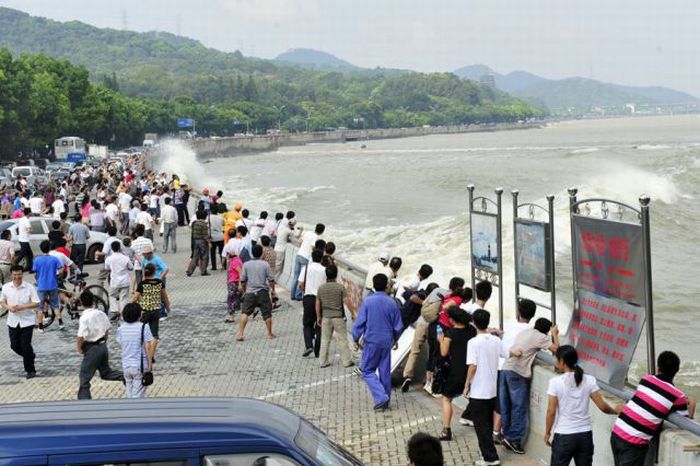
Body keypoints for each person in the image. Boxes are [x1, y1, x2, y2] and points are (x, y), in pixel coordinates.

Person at [611, 351, 696, 466]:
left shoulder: (646, 379)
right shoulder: (678, 396)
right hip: (633, 443)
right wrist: (692, 403)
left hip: (617, 432)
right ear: (676, 371)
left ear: (658, 367)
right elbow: (684, 422)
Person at [545, 345, 617, 466]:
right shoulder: (589, 380)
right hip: (585, 435)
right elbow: (603, 407)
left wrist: (547, 432)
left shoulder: (555, 382)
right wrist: (616, 411)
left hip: (564, 435)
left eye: (557, 359)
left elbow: (551, 412)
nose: (556, 361)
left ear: (562, 361)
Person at [500, 317, 559, 454]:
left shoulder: (526, 332)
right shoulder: (540, 337)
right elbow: (558, 351)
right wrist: (554, 334)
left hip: (506, 368)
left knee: (506, 406)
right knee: (519, 408)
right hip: (518, 373)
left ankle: (508, 436)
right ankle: (514, 440)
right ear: (546, 332)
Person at [351, 273, 403, 411]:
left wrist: (355, 338)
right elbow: (398, 325)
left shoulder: (368, 302)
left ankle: (381, 397)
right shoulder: (392, 302)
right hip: (386, 341)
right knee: (384, 371)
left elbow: (360, 322)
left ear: (373, 286)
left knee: (367, 370)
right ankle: (385, 401)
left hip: (372, 340)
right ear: (386, 286)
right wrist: (395, 338)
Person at [465, 309, 501, 466]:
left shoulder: (473, 342)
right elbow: (509, 353)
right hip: (492, 390)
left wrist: (467, 384)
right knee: (486, 424)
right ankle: (490, 455)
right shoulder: (495, 340)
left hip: (479, 391)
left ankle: (490, 458)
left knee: (481, 427)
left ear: (473, 323)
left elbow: (473, 365)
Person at [435, 307, 476, 441]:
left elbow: (443, 353)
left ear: (452, 319)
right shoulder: (471, 330)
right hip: (471, 369)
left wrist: (441, 340)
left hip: (456, 371)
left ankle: (446, 430)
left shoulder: (450, 333)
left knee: (447, 398)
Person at [76, 290, 124, 399]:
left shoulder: (84, 317)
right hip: (102, 346)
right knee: (106, 372)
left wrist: (79, 349)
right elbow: (107, 329)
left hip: (91, 348)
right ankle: (126, 377)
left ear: (81, 303)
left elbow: (80, 336)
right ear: (93, 301)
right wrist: (104, 342)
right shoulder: (101, 313)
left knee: (84, 377)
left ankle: (84, 402)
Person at [1, 265, 40, 379]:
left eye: (19, 274)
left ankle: (30, 370)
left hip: (27, 321)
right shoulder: (6, 287)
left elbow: (36, 302)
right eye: (15, 275)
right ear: (11, 275)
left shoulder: (29, 287)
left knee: (25, 345)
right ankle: (30, 356)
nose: (17, 277)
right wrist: (9, 307)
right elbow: (2, 301)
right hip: (13, 321)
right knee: (14, 345)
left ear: (22, 274)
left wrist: (22, 307)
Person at [235, 244, 277, 341]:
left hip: (250, 292)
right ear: (261, 253)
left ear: (252, 253)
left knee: (245, 312)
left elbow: (243, 280)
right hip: (263, 292)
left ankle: (240, 333)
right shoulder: (265, 264)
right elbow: (271, 280)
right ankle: (270, 333)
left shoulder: (246, 264)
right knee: (267, 314)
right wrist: (273, 291)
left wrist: (245, 290)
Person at [316, 265, 353, 368]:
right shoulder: (340, 287)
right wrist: (353, 313)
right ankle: (346, 361)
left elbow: (318, 303)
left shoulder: (321, 288)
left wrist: (318, 317)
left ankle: (323, 361)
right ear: (336, 274)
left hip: (326, 317)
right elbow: (346, 301)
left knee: (325, 340)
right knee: (342, 339)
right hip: (338, 317)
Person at [131, 263, 170, 357]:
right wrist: (167, 307)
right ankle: (151, 355)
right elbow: (164, 297)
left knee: (141, 333)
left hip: (144, 312)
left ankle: (144, 354)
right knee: (154, 335)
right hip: (156, 311)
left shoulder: (142, 284)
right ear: (154, 272)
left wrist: (130, 304)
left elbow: (135, 298)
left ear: (144, 273)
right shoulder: (159, 282)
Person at [117, 302, 155, 398]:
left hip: (126, 365)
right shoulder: (143, 327)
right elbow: (148, 347)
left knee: (129, 393)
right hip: (139, 366)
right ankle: (135, 412)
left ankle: (131, 411)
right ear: (138, 314)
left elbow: (121, 343)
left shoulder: (121, 328)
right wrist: (150, 366)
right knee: (137, 397)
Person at [298, 249, 326, 357]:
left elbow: (300, 284)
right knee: (319, 324)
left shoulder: (306, 268)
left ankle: (309, 345)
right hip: (320, 298)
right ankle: (318, 351)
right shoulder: (324, 270)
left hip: (308, 298)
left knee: (307, 323)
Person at [32, 240, 64, 331]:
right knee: (55, 305)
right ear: (49, 249)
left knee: (40, 307)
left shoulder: (37, 260)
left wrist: (38, 280)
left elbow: (35, 272)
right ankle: (61, 323)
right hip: (53, 284)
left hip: (41, 285)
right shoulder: (54, 259)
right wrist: (58, 276)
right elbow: (61, 270)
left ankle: (41, 327)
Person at [291, 223, 324, 300]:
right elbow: (313, 247)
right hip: (305, 258)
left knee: (296, 276)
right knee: (302, 277)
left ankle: (292, 295)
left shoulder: (308, 233)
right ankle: (298, 295)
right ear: (322, 231)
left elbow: (301, 242)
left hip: (299, 254)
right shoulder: (316, 237)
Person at [104, 241, 134, 318]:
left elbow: (107, 268)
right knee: (123, 297)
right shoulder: (125, 258)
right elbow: (131, 268)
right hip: (125, 281)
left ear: (112, 249)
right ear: (120, 248)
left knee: (112, 296)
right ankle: (122, 313)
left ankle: (115, 310)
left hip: (114, 281)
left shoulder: (109, 259)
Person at [186, 210, 210, 276]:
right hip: (202, 241)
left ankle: (189, 271)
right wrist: (209, 242)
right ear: (205, 216)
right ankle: (203, 271)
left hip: (195, 241)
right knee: (205, 256)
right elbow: (205, 235)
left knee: (195, 257)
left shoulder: (195, 223)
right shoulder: (204, 224)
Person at [225, 249, 243, 323]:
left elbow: (240, 272)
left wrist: (239, 284)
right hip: (232, 282)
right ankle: (231, 315)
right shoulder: (234, 260)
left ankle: (231, 316)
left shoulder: (235, 261)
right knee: (234, 299)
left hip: (234, 283)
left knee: (231, 299)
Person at [209, 204, 225, 270]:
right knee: (222, 252)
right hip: (220, 236)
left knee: (212, 253)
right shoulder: (221, 217)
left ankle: (214, 266)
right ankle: (223, 265)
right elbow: (223, 224)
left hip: (212, 237)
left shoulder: (209, 217)